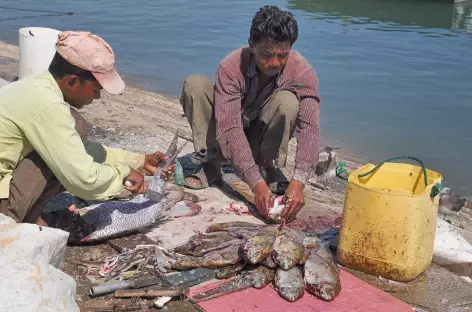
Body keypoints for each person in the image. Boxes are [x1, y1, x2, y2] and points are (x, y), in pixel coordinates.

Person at [0, 31, 173, 225]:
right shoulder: (48, 106)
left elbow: (81, 151)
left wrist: (139, 160)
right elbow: (84, 179)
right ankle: (15, 223)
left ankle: (30, 218)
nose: (97, 98)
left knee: (72, 131)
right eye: (96, 90)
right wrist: (122, 174)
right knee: (56, 155)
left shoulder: (34, 87)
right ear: (72, 81)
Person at [180, 6, 321, 221]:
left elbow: (310, 127)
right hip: (224, 135)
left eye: (282, 55)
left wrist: (300, 180)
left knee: (288, 101)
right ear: (251, 45)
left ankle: (268, 166)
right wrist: (255, 185)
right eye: (266, 55)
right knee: (195, 85)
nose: (274, 63)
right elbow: (229, 129)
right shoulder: (230, 67)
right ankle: (210, 163)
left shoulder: (303, 72)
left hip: (260, 139)